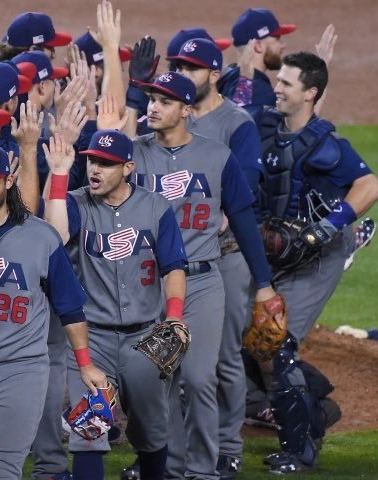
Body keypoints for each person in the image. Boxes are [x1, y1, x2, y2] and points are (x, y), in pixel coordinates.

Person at [124, 71, 279, 480]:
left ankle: (205, 468)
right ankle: (169, 467)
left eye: (165, 101)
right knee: (158, 378)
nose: (153, 107)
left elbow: (243, 220)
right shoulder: (133, 155)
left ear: (186, 111)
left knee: (197, 378)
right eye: (151, 99)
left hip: (202, 281)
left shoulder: (216, 156)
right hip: (148, 283)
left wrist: (263, 284)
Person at [0, 143, 107, 479]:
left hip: (20, 371)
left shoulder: (41, 238)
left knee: (1, 470)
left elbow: (69, 308)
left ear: (9, 181)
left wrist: (85, 365)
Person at [254, 51, 378, 474]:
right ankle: (317, 408)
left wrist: (323, 230)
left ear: (310, 94)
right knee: (245, 339)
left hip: (319, 254)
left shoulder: (327, 144)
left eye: (287, 83)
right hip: (275, 250)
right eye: (279, 80)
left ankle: (300, 449)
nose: (278, 87)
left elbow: (369, 186)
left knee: (277, 340)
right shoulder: (266, 128)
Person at [43, 128, 188, 480]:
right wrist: (60, 175)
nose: (96, 169)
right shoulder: (76, 204)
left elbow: (173, 267)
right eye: (93, 160)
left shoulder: (155, 207)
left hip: (145, 340)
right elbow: (56, 236)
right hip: (92, 340)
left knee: (151, 433)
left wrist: (174, 317)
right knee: (88, 433)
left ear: (127, 168)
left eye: (106, 164)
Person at [166, 37, 262, 480]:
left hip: (222, 259)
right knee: (167, 364)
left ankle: (228, 445)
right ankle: (171, 454)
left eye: (191, 68)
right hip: (170, 265)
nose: (183, 74)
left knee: (220, 359)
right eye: (177, 67)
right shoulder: (168, 123)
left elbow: (242, 194)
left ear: (212, 73)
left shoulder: (235, 124)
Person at [217, 8, 296, 123]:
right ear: (258, 45)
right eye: (277, 39)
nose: (282, 45)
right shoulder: (259, 91)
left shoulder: (228, 77)